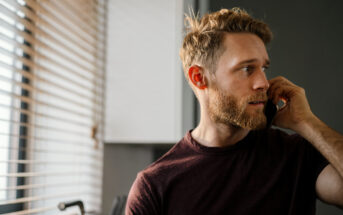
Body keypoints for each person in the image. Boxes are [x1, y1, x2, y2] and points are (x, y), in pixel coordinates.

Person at [125, 8, 343, 215]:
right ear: (199, 78)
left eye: (263, 68)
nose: (263, 83)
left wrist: (307, 122)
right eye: (247, 69)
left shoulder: (296, 156)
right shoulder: (154, 186)